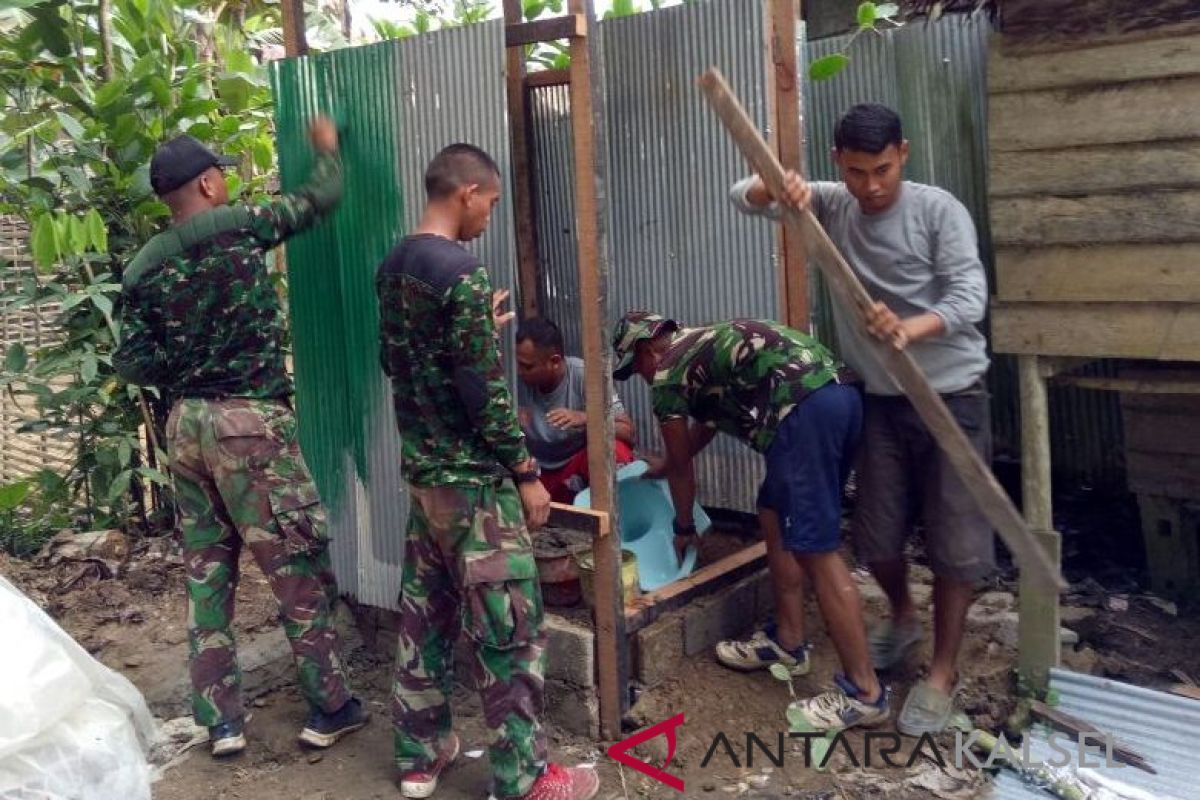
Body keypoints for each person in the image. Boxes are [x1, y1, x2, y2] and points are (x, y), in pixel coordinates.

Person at [730, 102, 993, 736]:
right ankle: (901, 619)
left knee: (957, 547)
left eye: (882, 169)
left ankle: (942, 673)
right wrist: (776, 185)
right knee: (876, 537)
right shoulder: (834, 203)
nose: (871, 187)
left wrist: (911, 326)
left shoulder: (937, 210)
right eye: (856, 172)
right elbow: (744, 196)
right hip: (880, 399)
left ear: (902, 152)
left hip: (952, 395)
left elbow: (969, 296)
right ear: (837, 164)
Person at [112, 119, 367, 758]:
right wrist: (329, 151)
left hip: (187, 428)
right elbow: (319, 199)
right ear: (207, 182)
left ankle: (221, 722)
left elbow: (134, 362)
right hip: (247, 423)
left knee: (207, 572)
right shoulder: (239, 227)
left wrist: (189, 370)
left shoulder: (143, 269)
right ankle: (331, 707)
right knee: (297, 569)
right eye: (220, 172)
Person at [376, 143, 600, 800]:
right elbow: (481, 391)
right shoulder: (462, 272)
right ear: (467, 192)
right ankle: (525, 777)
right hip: (474, 485)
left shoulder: (394, 268)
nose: (488, 218)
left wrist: (480, 329)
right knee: (510, 629)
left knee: (426, 617)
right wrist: (525, 470)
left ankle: (420, 756)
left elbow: (405, 364)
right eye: (491, 204)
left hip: (426, 479)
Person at [612, 312, 889, 732]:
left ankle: (864, 693)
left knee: (816, 548)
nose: (644, 379)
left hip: (804, 409)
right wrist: (668, 462)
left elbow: (684, 466)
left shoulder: (669, 373)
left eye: (637, 369)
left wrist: (684, 526)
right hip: (838, 397)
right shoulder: (704, 345)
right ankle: (788, 643)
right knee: (773, 511)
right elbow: (700, 433)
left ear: (649, 349)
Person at [515, 316, 637, 503]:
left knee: (615, 450)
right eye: (519, 364)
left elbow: (627, 432)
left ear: (554, 361)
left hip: (575, 467)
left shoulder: (585, 376)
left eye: (528, 366)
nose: (520, 371)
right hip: (537, 474)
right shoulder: (516, 384)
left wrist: (586, 418)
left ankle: (621, 519)